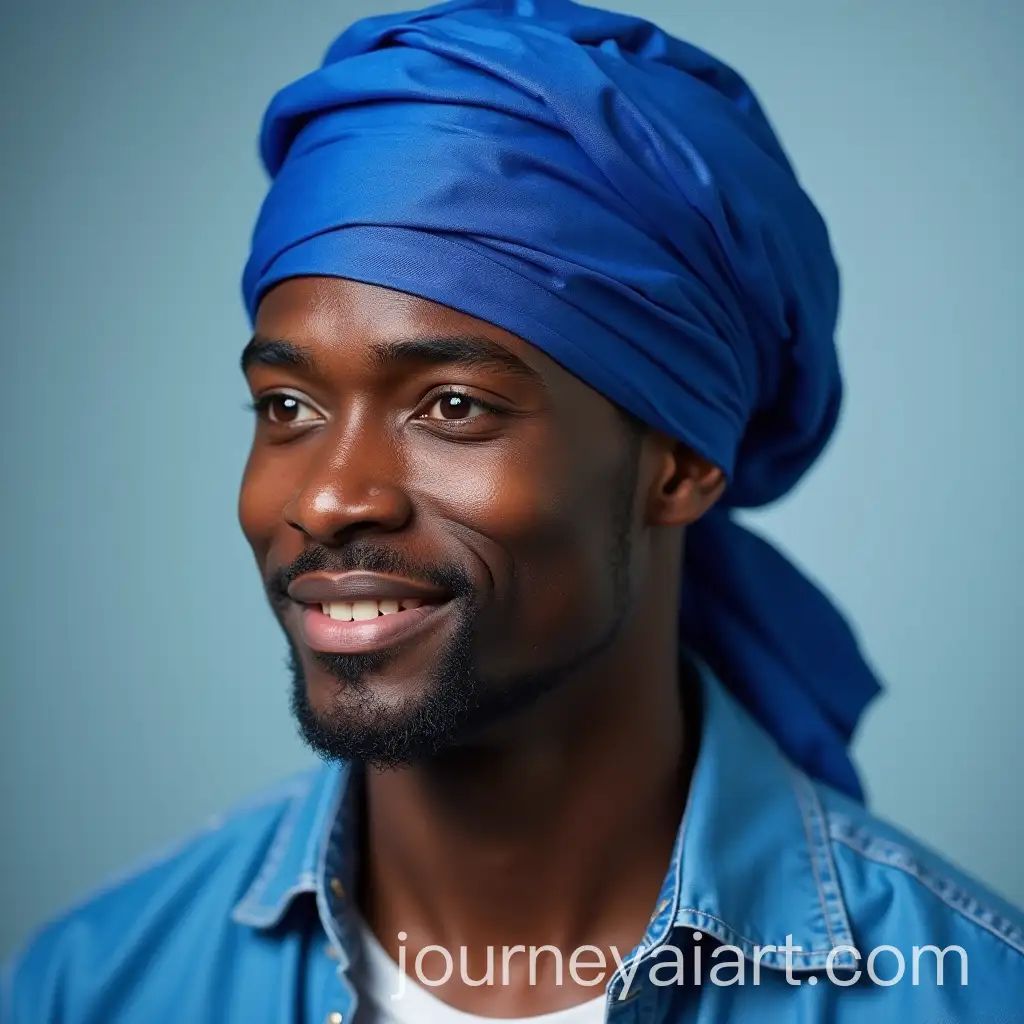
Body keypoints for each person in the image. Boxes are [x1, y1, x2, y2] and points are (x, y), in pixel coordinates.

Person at [4, 0, 1023, 1020]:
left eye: (452, 406)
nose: (326, 497)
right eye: (288, 406)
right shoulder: (98, 985)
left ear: (678, 464)